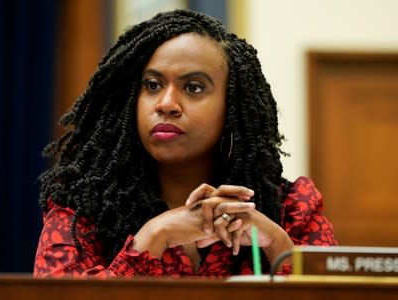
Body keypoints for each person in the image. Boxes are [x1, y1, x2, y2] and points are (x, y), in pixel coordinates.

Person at [33, 9, 337, 278]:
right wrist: (152, 239)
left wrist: (279, 247)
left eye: (193, 88)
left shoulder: (293, 208)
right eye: (152, 85)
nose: (166, 104)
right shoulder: (80, 210)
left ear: (232, 108)